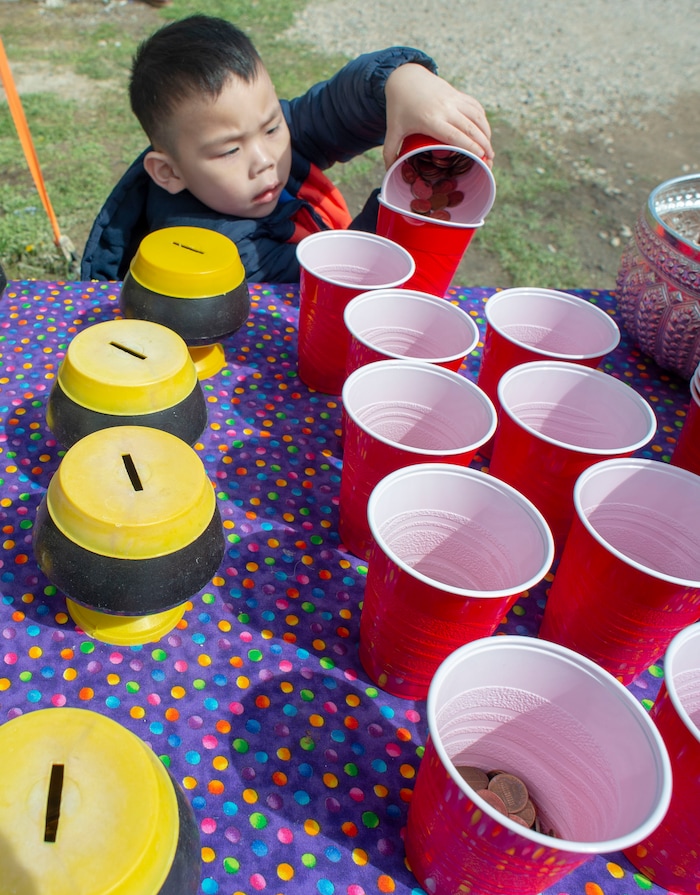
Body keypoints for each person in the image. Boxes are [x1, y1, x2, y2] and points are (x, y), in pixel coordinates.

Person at [81, 14, 493, 283]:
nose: (264, 161)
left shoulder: (278, 142)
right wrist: (403, 201)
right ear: (169, 173)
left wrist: (402, 82)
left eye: (272, 125)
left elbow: (341, 104)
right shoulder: (212, 252)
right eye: (229, 151)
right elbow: (334, 281)